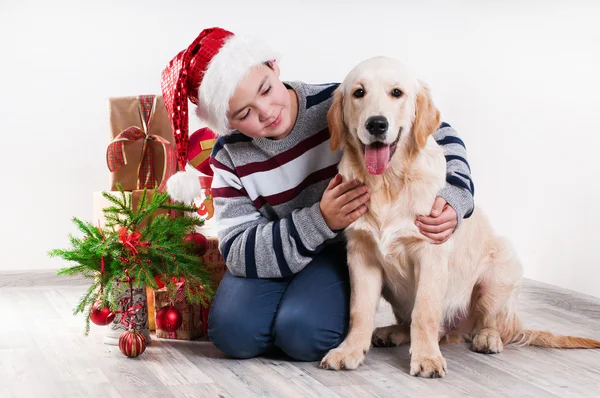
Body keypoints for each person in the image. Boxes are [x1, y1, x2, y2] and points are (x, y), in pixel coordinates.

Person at [160, 27, 475, 361]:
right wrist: (320, 220)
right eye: (244, 113)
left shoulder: (342, 101)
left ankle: (300, 315)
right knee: (232, 333)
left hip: (338, 253)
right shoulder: (228, 156)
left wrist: (456, 196)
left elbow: (437, 132)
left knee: (302, 336)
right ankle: (288, 310)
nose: (266, 111)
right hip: (276, 251)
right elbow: (237, 250)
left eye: (266, 90)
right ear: (227, 122)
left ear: (273, 68)